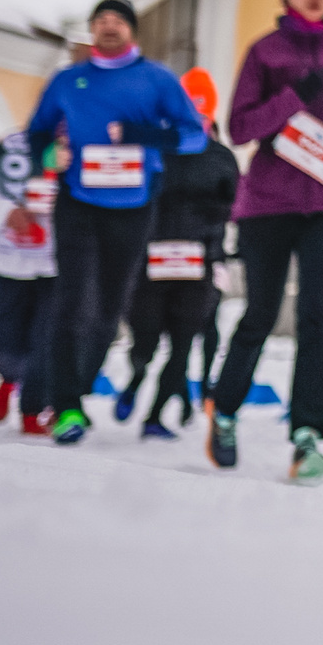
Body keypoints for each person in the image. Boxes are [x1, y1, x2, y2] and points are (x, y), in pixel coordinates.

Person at [209, 0, 323, 484]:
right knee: (261, 311)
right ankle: (225, 409)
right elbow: (239, 127)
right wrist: (293, 99)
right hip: (269, 201)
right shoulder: (265, 52)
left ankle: (308, 434)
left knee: (316, 315)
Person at [24, 0, 208, 444]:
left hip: (134, 206)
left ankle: (80, 386)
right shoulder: (68, 80)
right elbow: (37, 133)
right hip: (78, 201)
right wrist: (49, 155)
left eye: (117, 20)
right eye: (100, 20)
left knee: (108, 308)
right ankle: (66, 406)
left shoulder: (157, 78)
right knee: (70, 301)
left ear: (131, 30)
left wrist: (140, 134)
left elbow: (194, 136)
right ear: (92, 30)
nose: (108, 26)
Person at [115, 68, 237, 439]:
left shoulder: (222, 159)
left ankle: (154, 417)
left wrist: (223, 245)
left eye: (201, 114)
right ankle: (136, 376)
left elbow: (236, 207)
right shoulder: (154, 150)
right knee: (145, 338)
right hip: (149, 263)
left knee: (183, 346)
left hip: (198, 266)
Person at [0, 130, 60, 432]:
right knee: (7, 336)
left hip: (57, 266)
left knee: (46, 340)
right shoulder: (11, 147)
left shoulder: (85, 145)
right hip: (9, 263)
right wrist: (8, 212)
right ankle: (8, 378)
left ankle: (31, 412)